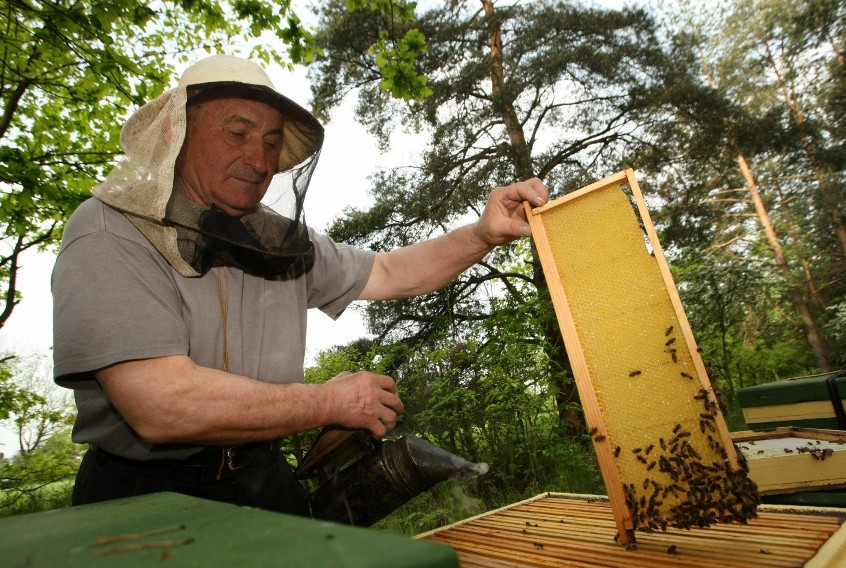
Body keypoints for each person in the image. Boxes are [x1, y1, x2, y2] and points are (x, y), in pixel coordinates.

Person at [52, 54, 548, 516]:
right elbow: (162, 405)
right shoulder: (109, 232)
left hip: (266, 481)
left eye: (270, 142)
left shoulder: (279, 241)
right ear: (175, 135)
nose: (259, 159)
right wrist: (330, 402)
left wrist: (483, 234)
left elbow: (392, 272)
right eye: (237, 133)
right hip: (145, 500)